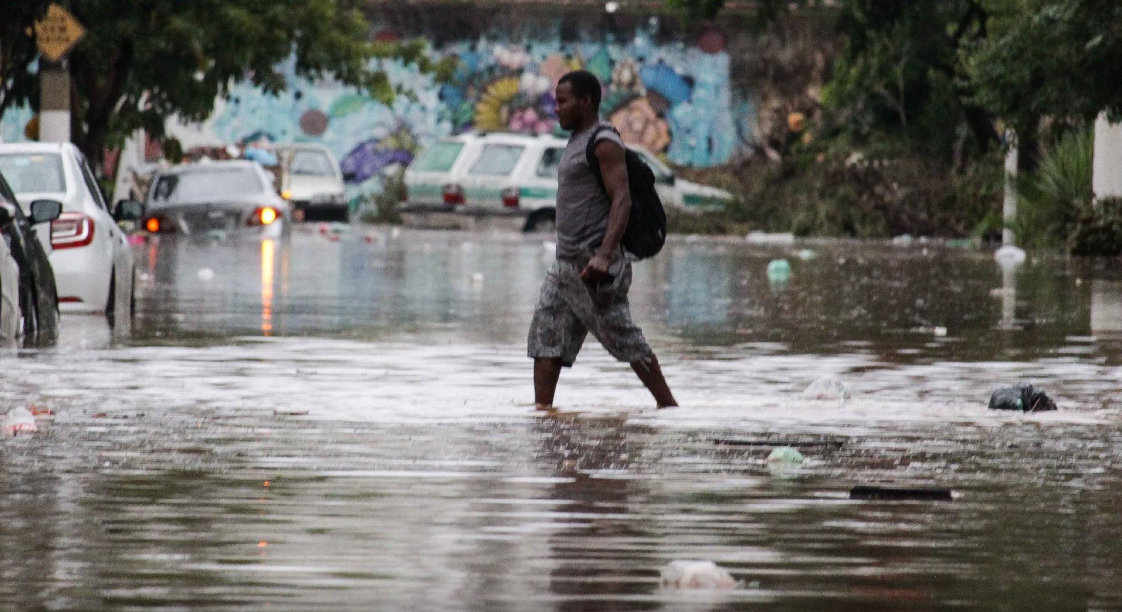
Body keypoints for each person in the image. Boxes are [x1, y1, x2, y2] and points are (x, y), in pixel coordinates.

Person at [527, 70, 677, 411]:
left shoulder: (604, 141)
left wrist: (605, 257)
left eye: (563, 102)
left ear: (586, 101)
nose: (557, 109)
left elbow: (621, 199)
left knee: (623, 338)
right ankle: (543, 417)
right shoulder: (576, 139)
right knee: (546, 341)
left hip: (594, 265)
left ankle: (668, 409)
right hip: (565, 264)